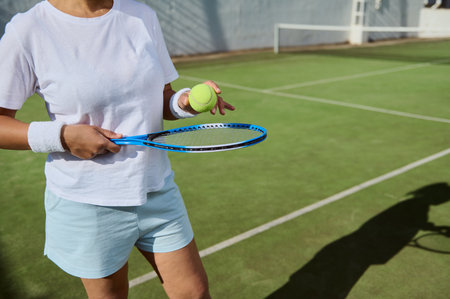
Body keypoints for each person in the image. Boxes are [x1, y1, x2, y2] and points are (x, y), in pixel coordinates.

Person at [0, 0, 234, 298]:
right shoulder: (29, 29)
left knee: (195, 293)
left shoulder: (141, 16)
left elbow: (162, 97)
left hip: (156, 188)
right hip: (89, 203)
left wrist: (184, 102)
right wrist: (63, 136)